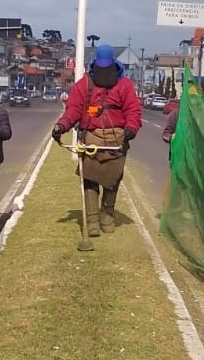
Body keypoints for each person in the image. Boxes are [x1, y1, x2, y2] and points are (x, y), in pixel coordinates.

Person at [52, 44, 142, 235]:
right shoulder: (83, 85)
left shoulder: (124, 85)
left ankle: (107, 215)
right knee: (90, 181)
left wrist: (131, 128)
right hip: (91, 139)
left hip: (116, 140)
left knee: (113, 181)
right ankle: (92, 221)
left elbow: (133, 110)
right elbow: (73, 110)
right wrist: (61, 126)